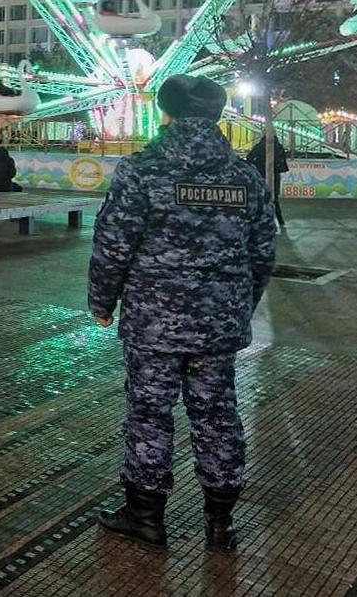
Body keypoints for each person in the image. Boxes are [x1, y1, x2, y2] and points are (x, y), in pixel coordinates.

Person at [88, 75, 276, 552]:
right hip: (218, 327)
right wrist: (238, 307)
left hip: (154, 325)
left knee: (149, 414)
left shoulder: (142, 172)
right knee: (217, 415)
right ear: (216, 117)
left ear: (165, 115)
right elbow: (262, 254)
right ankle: (219, 522)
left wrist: (102, 302)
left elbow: (113, 246)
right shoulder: (245, 178)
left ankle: (146, 517)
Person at [246, 135, 289, 228]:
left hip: (261, 174)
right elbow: (283, 165)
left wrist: (256, 166)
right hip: (275, 175)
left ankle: (260, 219)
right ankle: (280, 221)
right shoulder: (279, 147)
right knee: (274, 198)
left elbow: (249, 157)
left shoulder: (260, 146)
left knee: (259, 197)